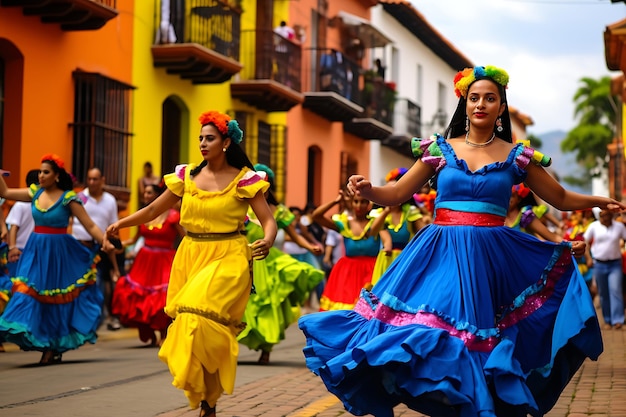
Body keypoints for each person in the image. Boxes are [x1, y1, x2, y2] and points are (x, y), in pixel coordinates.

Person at [298, 65, 625, 417]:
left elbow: (558, 196)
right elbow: (395, 193)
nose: (481, 104)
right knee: (435, 327)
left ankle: (474, 404)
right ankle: (445, 396)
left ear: (501, 108)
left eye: (490, 98)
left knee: (475, 337)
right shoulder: (439, 150)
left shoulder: (517, 155)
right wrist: (368, 190)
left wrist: (598, 200)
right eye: (474, 98)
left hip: (489, 260)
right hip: (439, 254)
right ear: (464, 104)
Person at [105, 110, 277, 417]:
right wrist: (122, 223)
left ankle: (210, 392)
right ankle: (208, 401)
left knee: (199, 315)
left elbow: (267, 220)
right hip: (191, 254)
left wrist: (268, 238)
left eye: (209, 138)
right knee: (190, 323)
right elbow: (152, 209)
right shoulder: (186, 177)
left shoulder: (245, 180)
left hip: (230, 256)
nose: (202, 143)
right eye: (200, 138)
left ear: (226, 142)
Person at [0, 154, 107, 365]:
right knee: (25, 292)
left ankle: (51, 347)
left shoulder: (69, 198)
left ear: (57, 176)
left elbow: (90, 225)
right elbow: (4, 192)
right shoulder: (34, 193)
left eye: (46, 172)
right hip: (35, 252)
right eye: (40, 171)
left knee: (55, 299)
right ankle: (33, 335)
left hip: (59, 254)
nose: (41, 175)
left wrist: (106, 241)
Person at [237, 163, 323, 365]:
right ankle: (232, 344)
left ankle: (266, 349)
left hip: (271, 263)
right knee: (243, 306)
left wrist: (310, 247)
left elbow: (295, 235)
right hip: (246, 262)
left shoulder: (280, 212)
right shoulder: (242, 207)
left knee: (270, 307)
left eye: (264, 184)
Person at [112, 183, 185, 346]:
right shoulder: (143, 217)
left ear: (158, 195)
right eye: (144, 193)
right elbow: (133, 240)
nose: (145, 195)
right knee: (140, 296)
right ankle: (149, 331)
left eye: (149, 192)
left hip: (165, 259)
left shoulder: (173, 216)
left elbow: (185, 237)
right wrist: (117, 245)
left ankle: (165, 332)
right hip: (145, 260)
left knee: (164, 297)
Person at [312, 191, 381, 311]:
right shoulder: (344, 223)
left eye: (363, 202)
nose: (359, 205)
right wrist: (336, 201)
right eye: (356, 201)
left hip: (372, 270)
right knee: (347, 309)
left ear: (369, 204)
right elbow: (316, 216)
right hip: (348, 272)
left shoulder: (376, 221)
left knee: (370, 309)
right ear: (351, 203)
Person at [72, 167, 121, 331]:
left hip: (101, 248)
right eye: (89, 179)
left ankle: (96, 321)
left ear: (102, 180)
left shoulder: (110, 200)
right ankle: (79, 323)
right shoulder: (79, 198)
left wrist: (115, 253)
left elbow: (114, 226)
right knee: (77, 286)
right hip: (79, 247)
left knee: (99, 285)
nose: (92, 182)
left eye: (95, 179)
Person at [369, 168, 425, 286]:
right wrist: (386, 211)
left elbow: (424, 232)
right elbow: (373, 231)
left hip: (406, 259)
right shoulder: (379, 213)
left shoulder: (410, 212)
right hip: (386, 259)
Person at [583, 209, 626, 330]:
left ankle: (618, 320)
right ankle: (607, 320)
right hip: (599, 264)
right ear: (599, 215)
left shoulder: (619, 226)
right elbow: (585, 240)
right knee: (603, 293)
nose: (605, 217)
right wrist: (588, 258)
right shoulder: (594, 226)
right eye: (602, 215)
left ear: (611, 215)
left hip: (615, 264)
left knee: (616, 290)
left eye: (607, 214)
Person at [5, 169, 39, 276]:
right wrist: (13, 247)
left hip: (27, 248)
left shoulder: (22, 204)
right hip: (21, 249)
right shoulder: (25, 204)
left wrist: (12, 247)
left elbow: (13, 227)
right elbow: (14, 227)